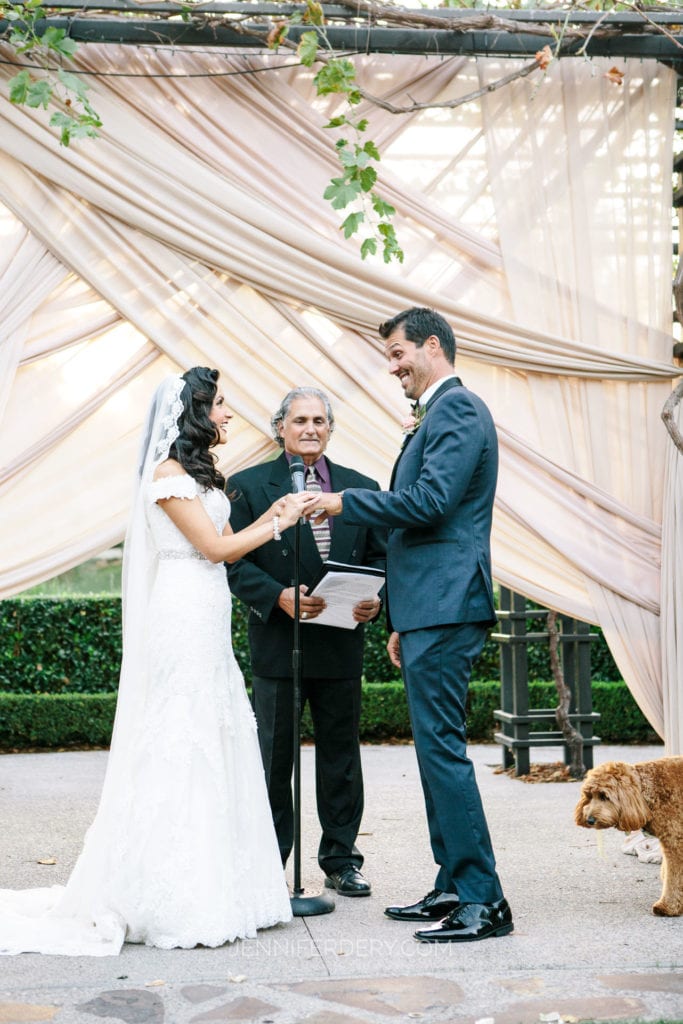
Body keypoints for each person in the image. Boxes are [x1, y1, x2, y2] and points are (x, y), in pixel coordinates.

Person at [0, 367, 309, 956]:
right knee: (182, 737)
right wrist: (276, 523)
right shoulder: (167, 477)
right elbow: (214, 549)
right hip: (182, 614)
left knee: (216, 730)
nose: (227, 413)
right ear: (193, 413)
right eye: (219, 404)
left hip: (207, 614)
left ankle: (231, 885)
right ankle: (173, 892)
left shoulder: (197, 474)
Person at [303, 309, 513, 942]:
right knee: (431, 753)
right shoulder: (442, 413)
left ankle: (483, 899)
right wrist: (402, 615)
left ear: (431, 345)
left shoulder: (457, 410)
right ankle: (453, 883)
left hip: (449, 602)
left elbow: (429, 505)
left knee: (443, 751)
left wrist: (343, 500)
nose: (392, 367)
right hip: (430, 607)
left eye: (397, 354)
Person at [226, 387, 386, 897]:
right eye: (299, 420)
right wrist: (277, 597)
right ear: (280, 428)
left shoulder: (362, 488)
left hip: (342, 645)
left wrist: (376, 602)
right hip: (278, 646)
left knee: (341, 760)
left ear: (330, 428)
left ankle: (342, 860)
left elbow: (384, 559)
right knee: (273, 761)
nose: (310, 428)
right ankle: (269, 861)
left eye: (319, 420)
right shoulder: (247, 487)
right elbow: (232, 562)